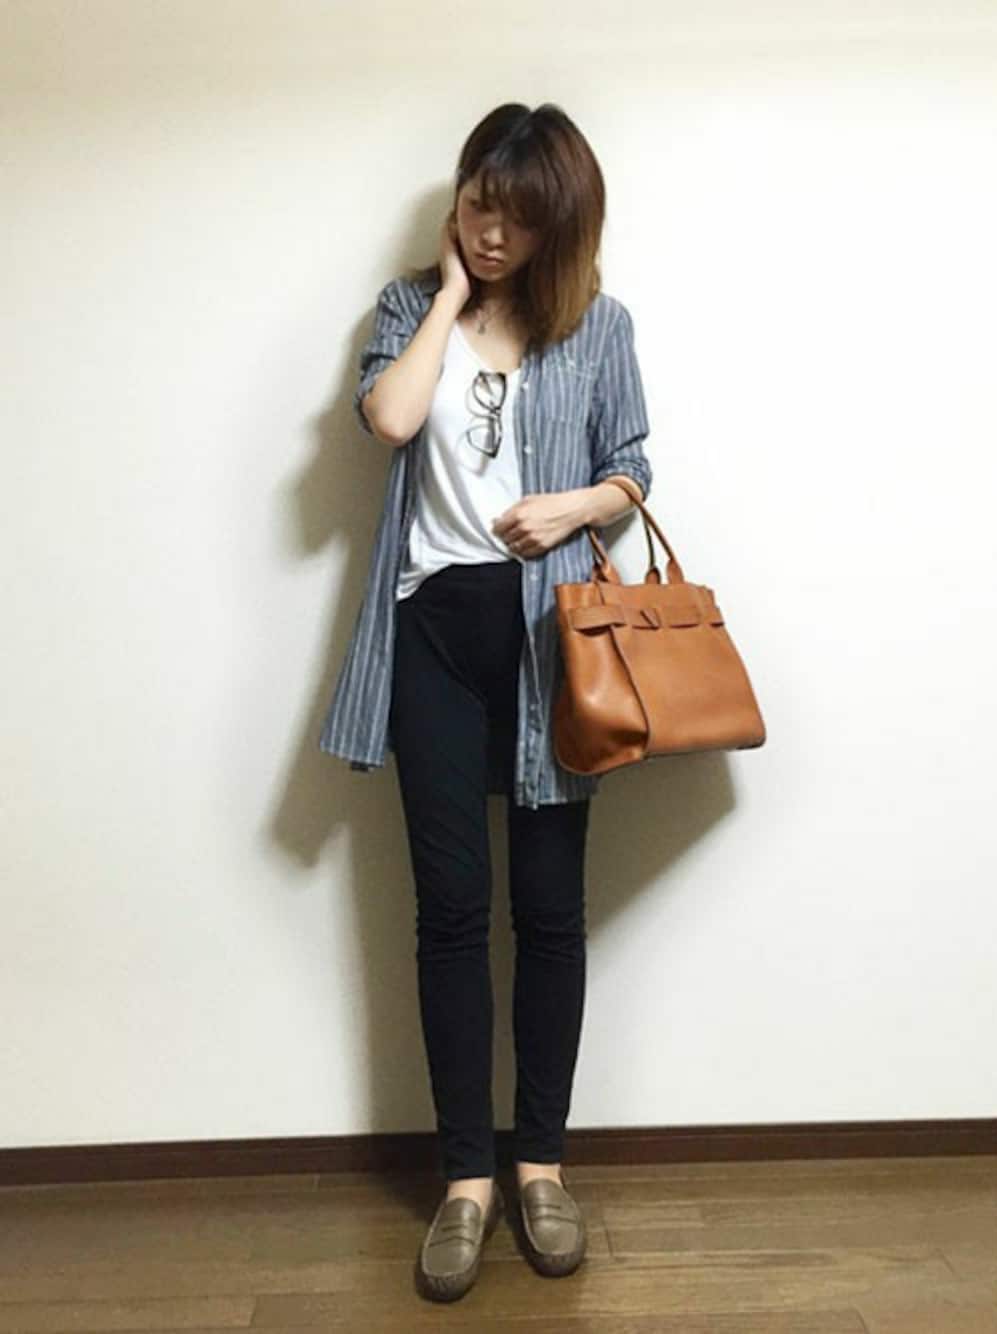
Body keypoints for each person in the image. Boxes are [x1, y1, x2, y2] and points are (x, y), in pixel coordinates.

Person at [319, 101, 653, 1302]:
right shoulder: (408, 308)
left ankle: (540, 1165)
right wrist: (453, 297)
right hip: (433, 638)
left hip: (551, 644)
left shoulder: (600, 324)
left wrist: (572, 506)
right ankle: (466, 1176)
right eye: (476, 205)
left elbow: (634, 466)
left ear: (560, 223)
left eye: (516, 217)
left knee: (550, 911)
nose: (491, 231)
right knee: (452, 912)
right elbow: (391, 418)